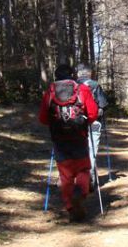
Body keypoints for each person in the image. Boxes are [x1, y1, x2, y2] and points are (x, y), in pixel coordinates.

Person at [38, 63, 99, 222]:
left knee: (65, 175)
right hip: (79, 136)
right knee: (83, 170)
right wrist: (85, 122)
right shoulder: (82, 89)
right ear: (72, 75)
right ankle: (80, 192)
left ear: (56, 76)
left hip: (59, 139)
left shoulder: (51, 91)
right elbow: (92, 114)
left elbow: (43, 118)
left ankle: (71, 207)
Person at [75, 62, 108, 186]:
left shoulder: (72, 85)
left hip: (76, 122)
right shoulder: (95, 85)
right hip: (94, 121)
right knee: (91, 150)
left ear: (78, 73)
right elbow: (103, 104)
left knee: (79, 149)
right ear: (89, 73)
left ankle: (78, 178)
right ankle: (90, 178)